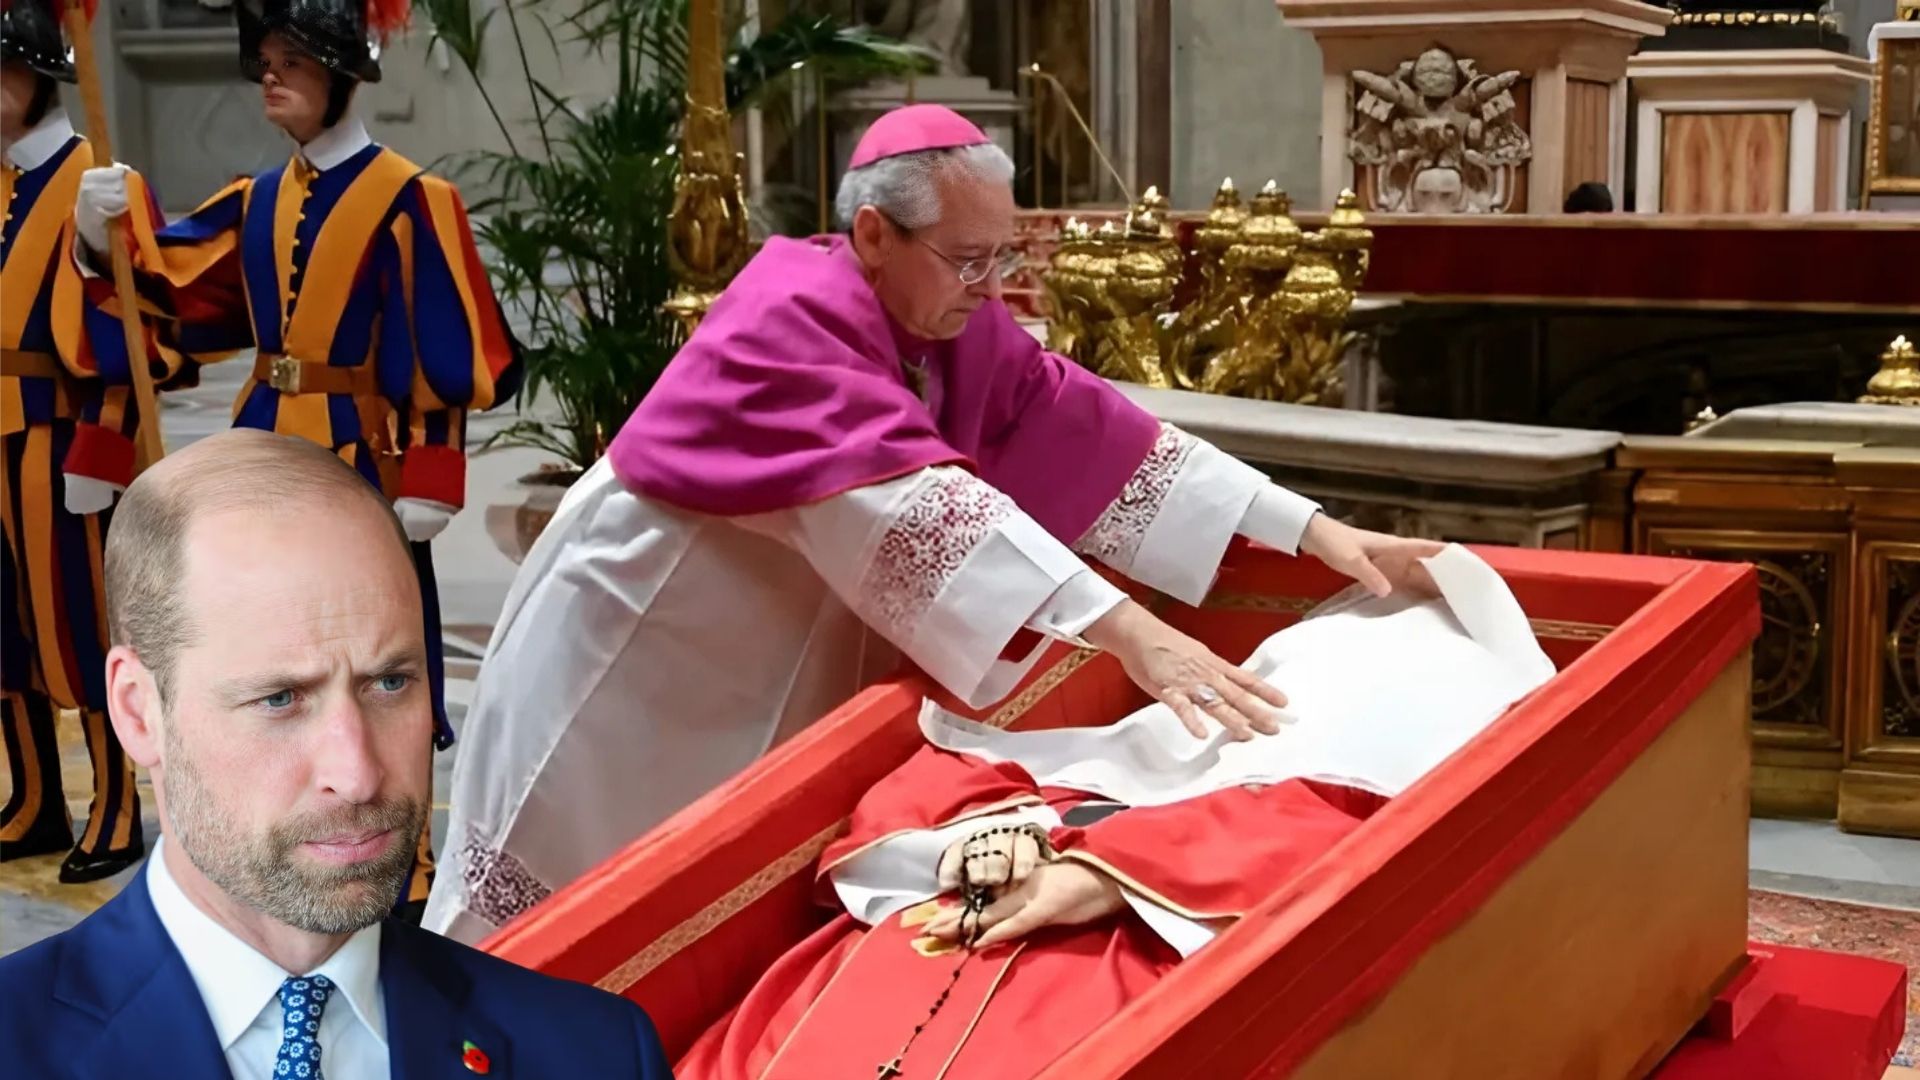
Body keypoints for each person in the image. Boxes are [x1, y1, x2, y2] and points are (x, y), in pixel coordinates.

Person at [425, 103, 1444, 942]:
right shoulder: (786, 317)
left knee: (702, 890)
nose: (990, 289)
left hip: (755, 650)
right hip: (637, 646)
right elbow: (916, 505)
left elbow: (1091, 429)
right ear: (875, 234)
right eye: (967, 260)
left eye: (1002, 258)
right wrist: (1133, 633)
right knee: (553, 898)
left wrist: (1310, 528)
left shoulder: (947, 321)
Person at [681, 544, 1557, 1079]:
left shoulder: (1372, 792)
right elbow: (945, 778)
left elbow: (1343, 857)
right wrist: (995, 829)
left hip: (1132, 962)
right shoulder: (1151, 754)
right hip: (956, 933)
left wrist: (1106, 875)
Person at [0, 429, 671, 1080]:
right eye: (281, 699)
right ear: (138, 711)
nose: (357, 775)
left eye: (390, 683)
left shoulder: (600, 1055)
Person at [70, 0, 521, 916]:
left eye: (292, 62)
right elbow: (176, 291)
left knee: (379, 653)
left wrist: (433, 470)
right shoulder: (257, 199)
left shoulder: (410, 200)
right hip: (265, 441)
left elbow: (443, 342)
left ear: (341, 73)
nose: (269, 77)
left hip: (362, 456)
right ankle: (285, 825)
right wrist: (94, 234)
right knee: (273, 651)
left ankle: (405, 853)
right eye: (265, 61)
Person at [0, 0, 177, 882]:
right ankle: (34, 796)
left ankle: (116, 803)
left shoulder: (101, 181)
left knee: (83, 627)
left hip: (60, 441)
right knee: (5, 630)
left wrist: (102, 452)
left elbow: (144, 337)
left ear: (34, 73)